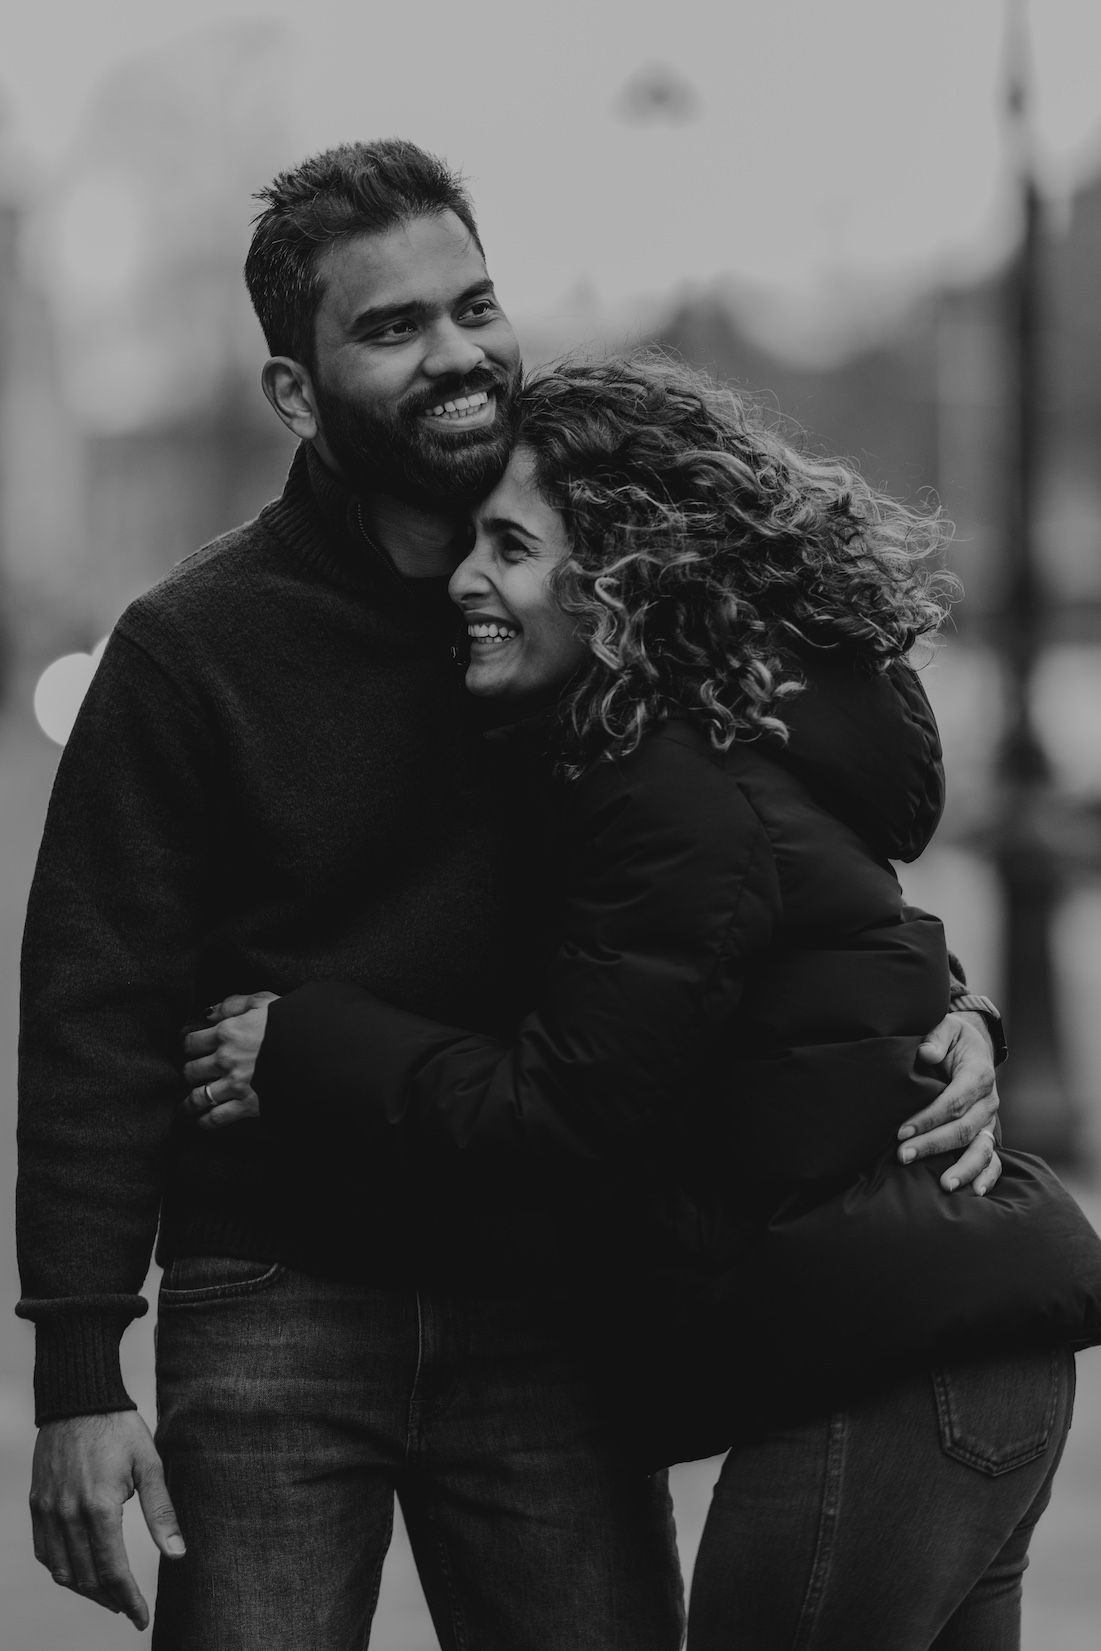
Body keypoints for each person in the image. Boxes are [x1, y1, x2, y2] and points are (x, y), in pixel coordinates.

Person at [18, 142, 1001, 1650]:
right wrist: (80, 1380)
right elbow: (94, 1014)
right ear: (295, 392)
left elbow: (789, 874)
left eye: (473, 304)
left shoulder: (607, 605)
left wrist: (945, 1025)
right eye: (393, 326)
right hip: (278, 1295)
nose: (460, 353)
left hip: (555, 1296)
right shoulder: (194, 650)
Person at [184, 354, 1101, 1650]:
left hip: (890, 1377)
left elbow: (564, 1109)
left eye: (510, 546)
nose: (466, 581)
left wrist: (304, 1042)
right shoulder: (714, 744)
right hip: (960, 1366)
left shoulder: (664, 780)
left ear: (616, 572)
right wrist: (965, 1014)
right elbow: (831, 950)